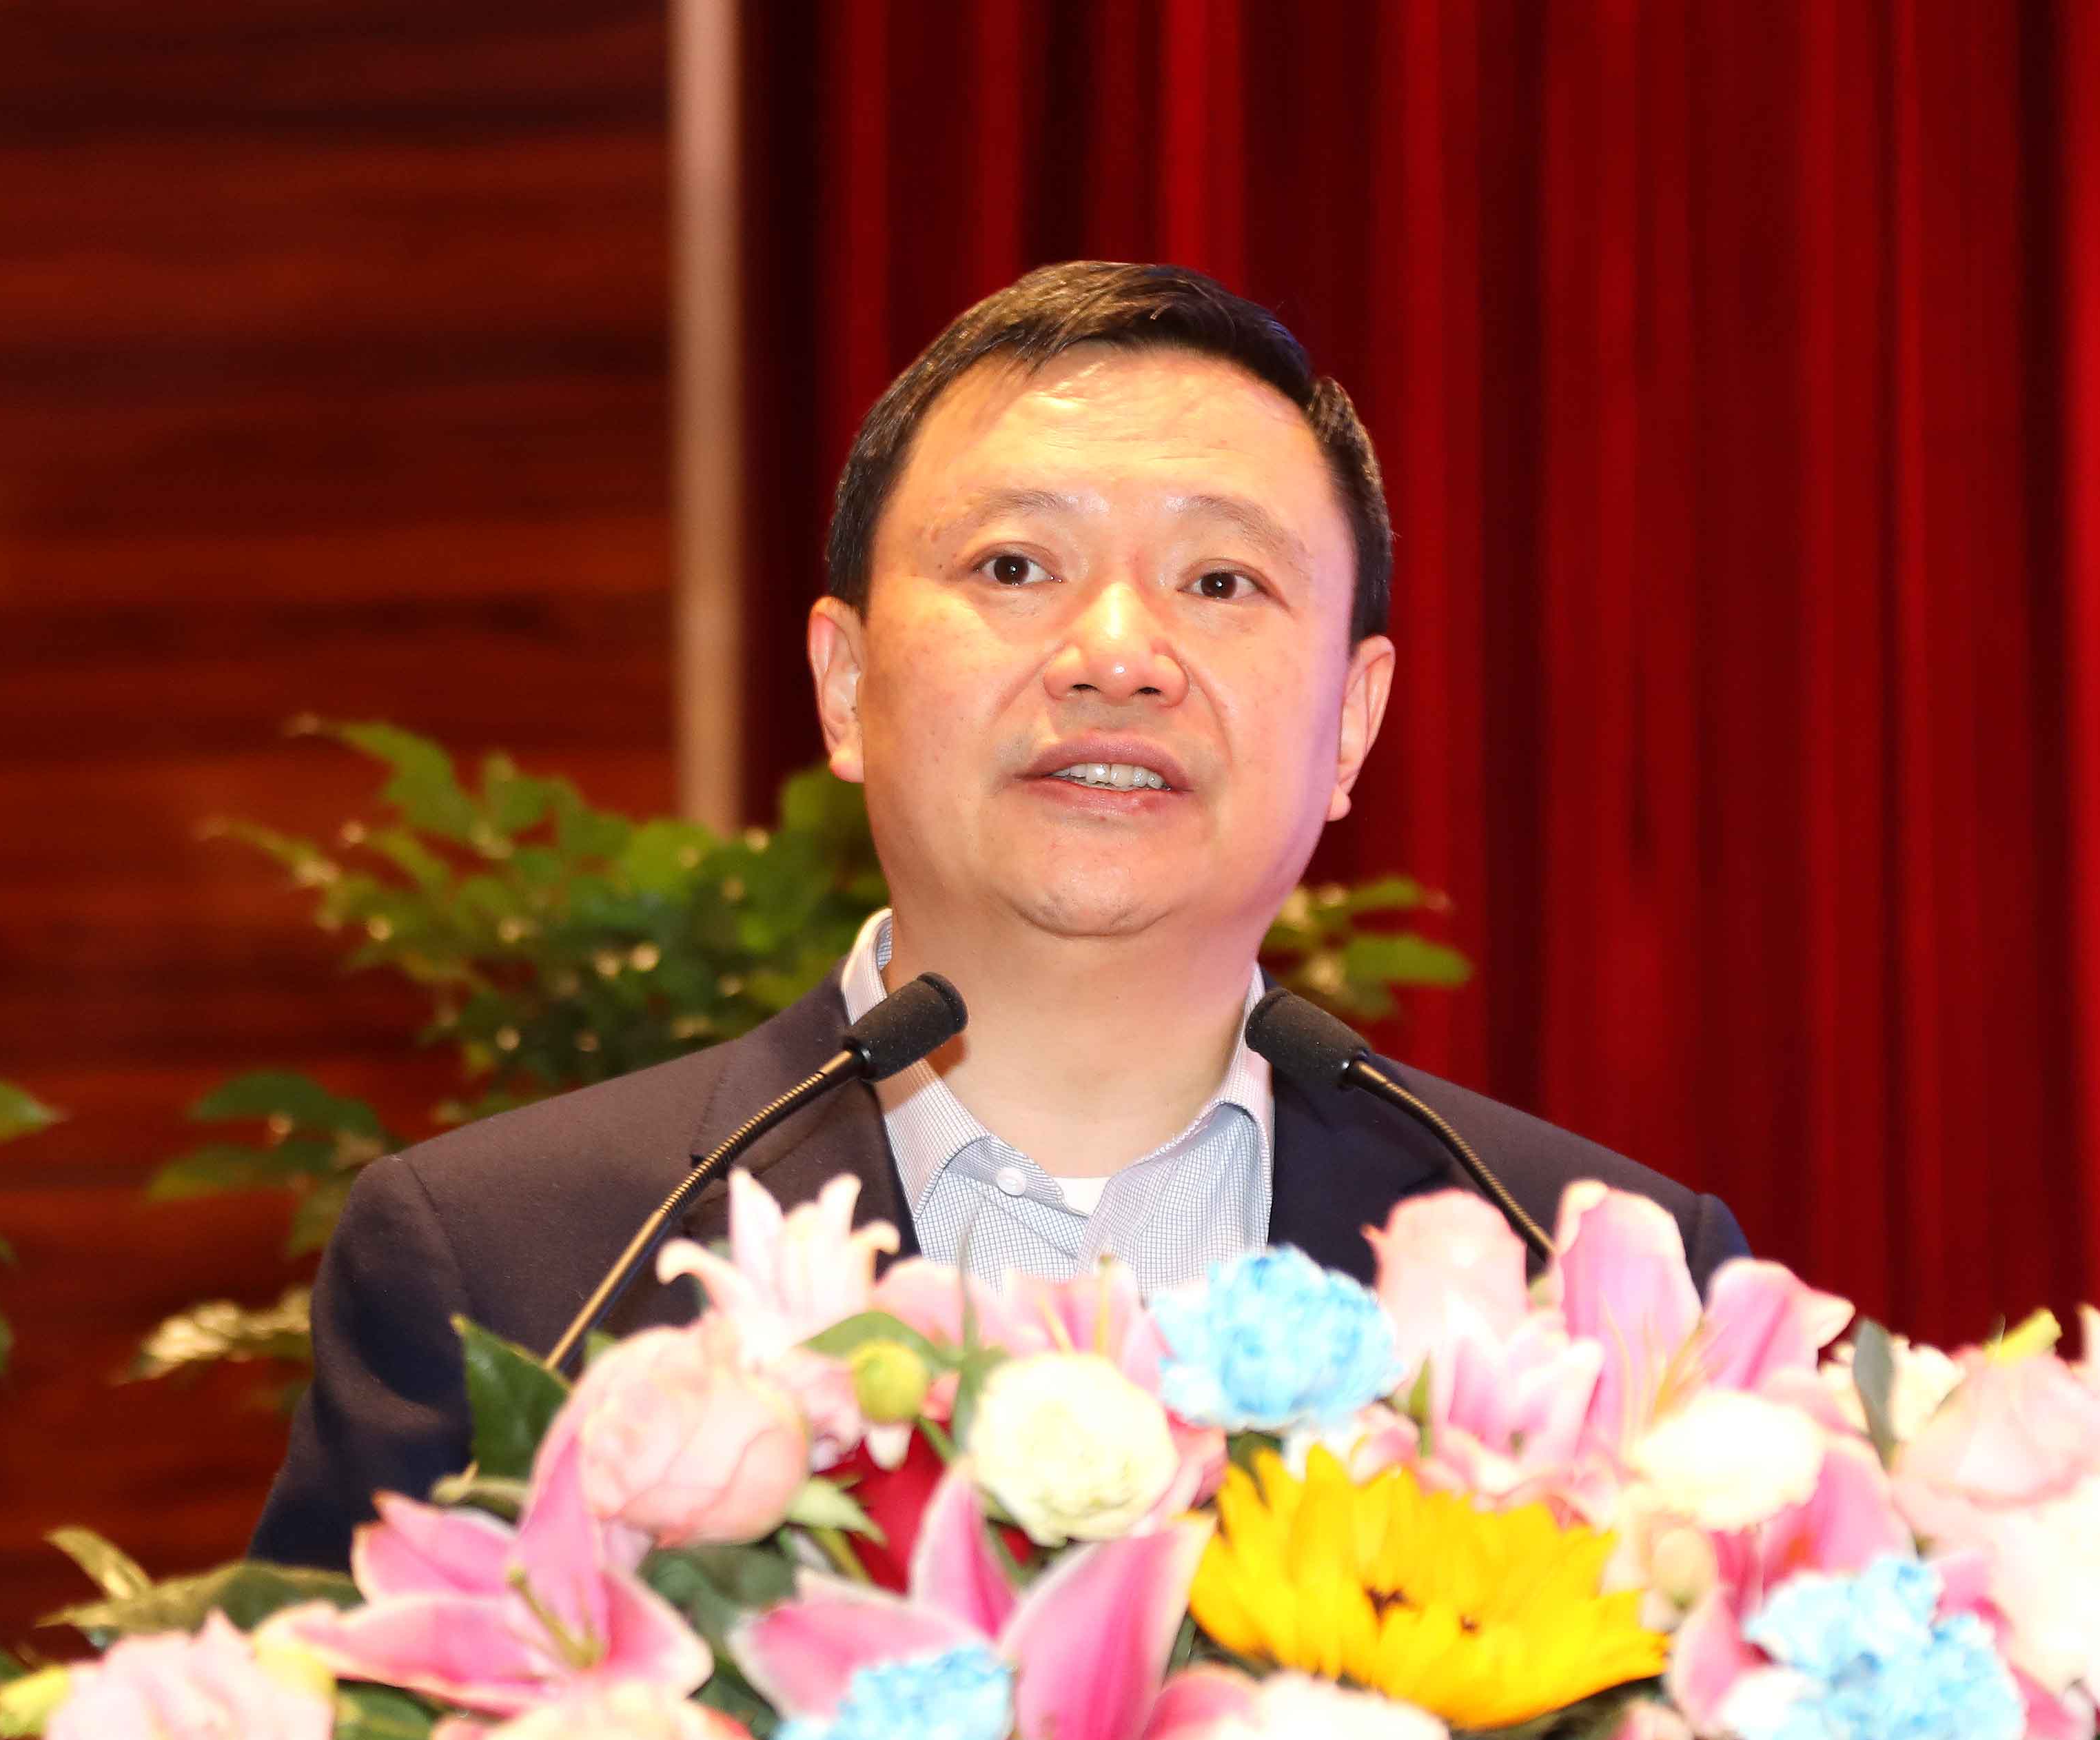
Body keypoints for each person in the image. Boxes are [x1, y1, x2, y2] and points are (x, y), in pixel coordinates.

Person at [249, 263, 1745, 1570]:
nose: (1119, 653)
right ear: (846, 686)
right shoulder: (517, 1267)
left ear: (1351, 722)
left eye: (1221, 579)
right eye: (1016, 566)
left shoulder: (1594, 1283)